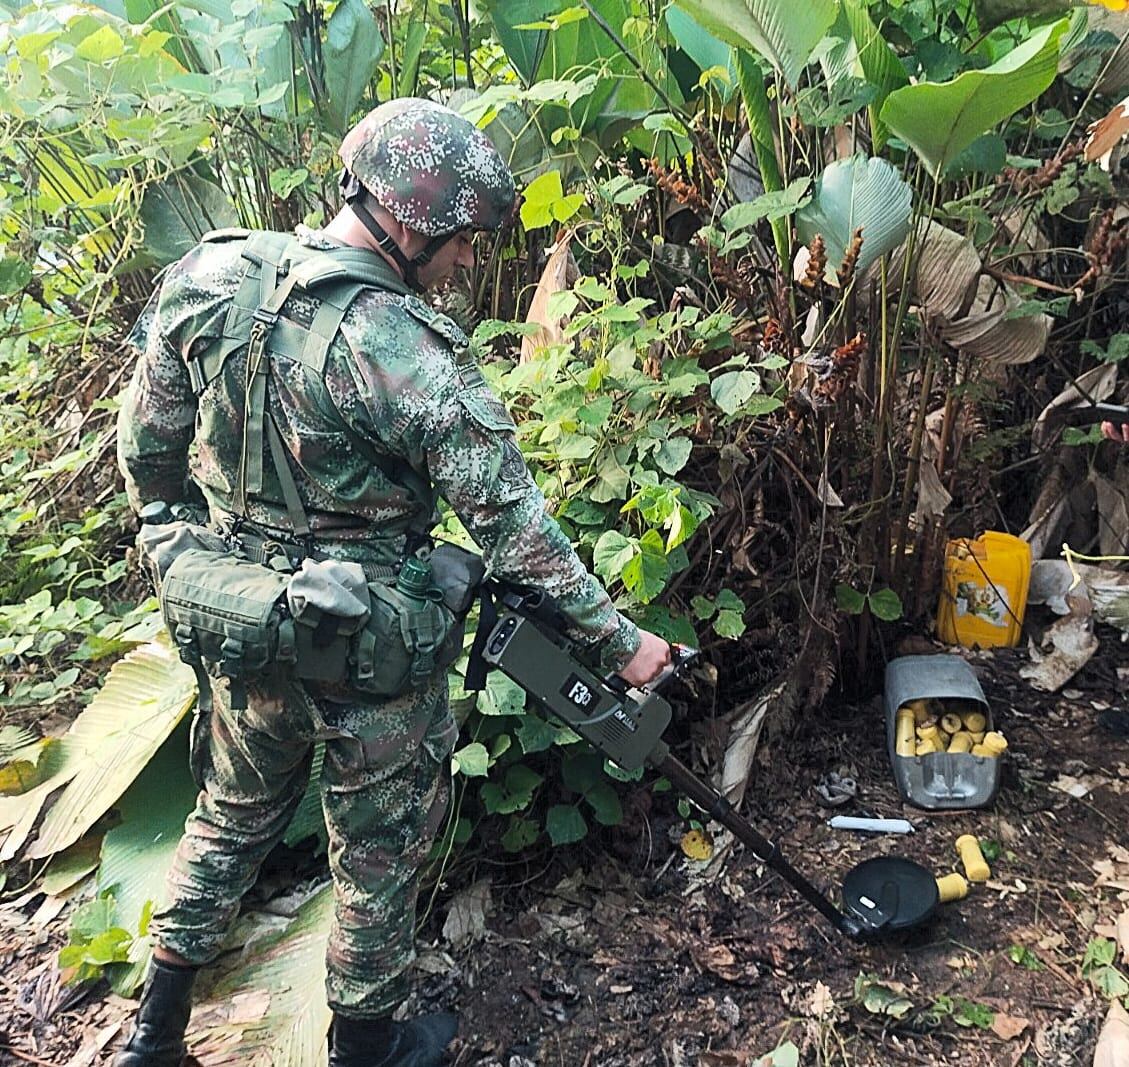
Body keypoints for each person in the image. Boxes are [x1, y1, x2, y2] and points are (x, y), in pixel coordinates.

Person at [114, 98, 671, 1067]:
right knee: (375, 858)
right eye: (459, 241)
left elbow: (147, 460)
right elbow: (513, 530)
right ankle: (365, 1049)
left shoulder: (208, 279)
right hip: (367, 650)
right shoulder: (400, 348)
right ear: (408, 222)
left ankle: (154, 1032)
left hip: (241, 620)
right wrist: (621, 642)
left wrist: (199, 556)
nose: (466, 262)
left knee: (228, 814)